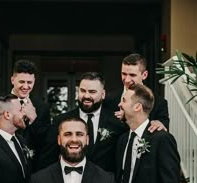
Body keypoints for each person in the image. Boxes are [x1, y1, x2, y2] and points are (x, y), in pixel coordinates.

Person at [37, 71, 166, 173]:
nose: (86, 96)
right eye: (82, 91)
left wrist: (156, 122)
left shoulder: (118, 123)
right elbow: (47, 159)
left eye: (92, 92)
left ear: (103, 94)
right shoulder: (61, 121)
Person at [0, 59, 51, 170]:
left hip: (32, 168)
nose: (25, 86)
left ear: (34, 81)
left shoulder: (42, 107)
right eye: (21, 82)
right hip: (3, 164)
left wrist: (33, 120)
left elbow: (45, 143)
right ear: (13, 80)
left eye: (29, 82)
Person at [105, 53, 170, 131]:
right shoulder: (109, 99)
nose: (127, 80)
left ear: (144, 75)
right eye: (124, 74)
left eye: (132, 75)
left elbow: (162, 132)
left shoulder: (159, 103)